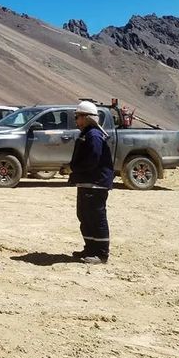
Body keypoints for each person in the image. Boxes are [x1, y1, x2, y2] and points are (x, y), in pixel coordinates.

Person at [68, 100, 114, 263]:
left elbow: (92, 159)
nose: (76, 120)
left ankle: (101, 254)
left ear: (86, 117)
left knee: (96, 217)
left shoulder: (93, 135)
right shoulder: (88, 133)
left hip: (96, 183)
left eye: (78, 116)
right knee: (84, 215)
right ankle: (90, 248)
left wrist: (76, 170)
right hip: (88, 182)